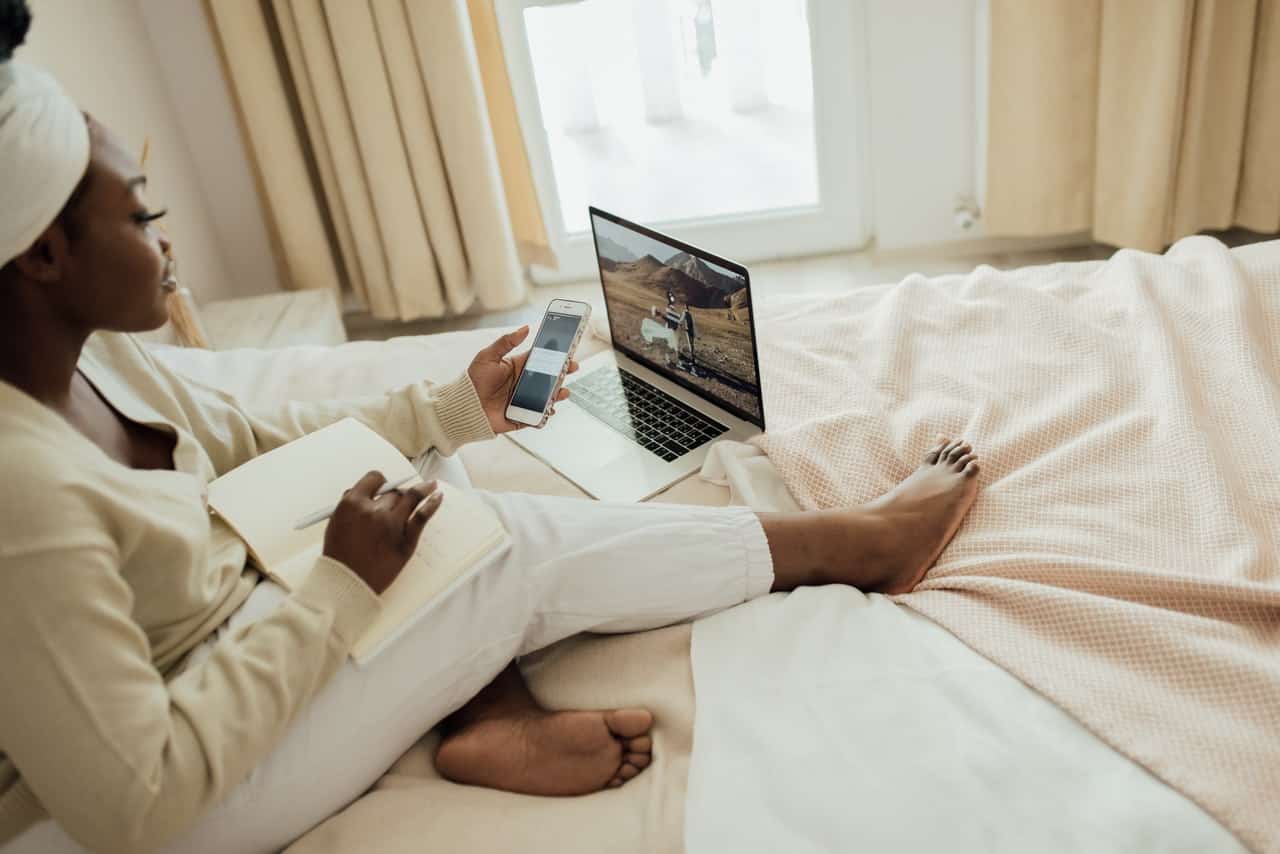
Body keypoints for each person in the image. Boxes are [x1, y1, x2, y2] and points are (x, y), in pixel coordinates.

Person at [0, 13, 981, 854]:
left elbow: (261, 438)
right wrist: (340, 587)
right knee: (504, 551)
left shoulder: (96, 353)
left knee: (426, 490)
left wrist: (444, 413)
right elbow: (139, 795)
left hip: (234, 618)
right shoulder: (22, 498)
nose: (164, 242)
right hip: (174, 802)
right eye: (143, 215)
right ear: (45, 254)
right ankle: (844, 547)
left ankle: (489, 714)